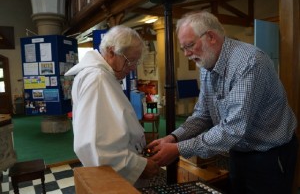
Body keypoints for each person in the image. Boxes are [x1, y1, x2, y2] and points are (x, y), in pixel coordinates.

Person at [147, 11, 298, 194]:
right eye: (183, 48)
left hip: (269, 154)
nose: (187, 54)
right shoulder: (207, 64)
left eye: (190, 45)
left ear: (211, 36)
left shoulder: (249, 62)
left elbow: (232, 128)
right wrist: (173, 137)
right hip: (238, 151)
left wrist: (178, 148)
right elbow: (202, 114)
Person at [64, 25, 159, 187]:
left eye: (137, 61)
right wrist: (140, 166)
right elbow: (99, 148)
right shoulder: (97, 79)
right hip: (115, 179)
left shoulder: (103, 75)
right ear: (111, 51)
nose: (133, 67)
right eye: (130, 61)